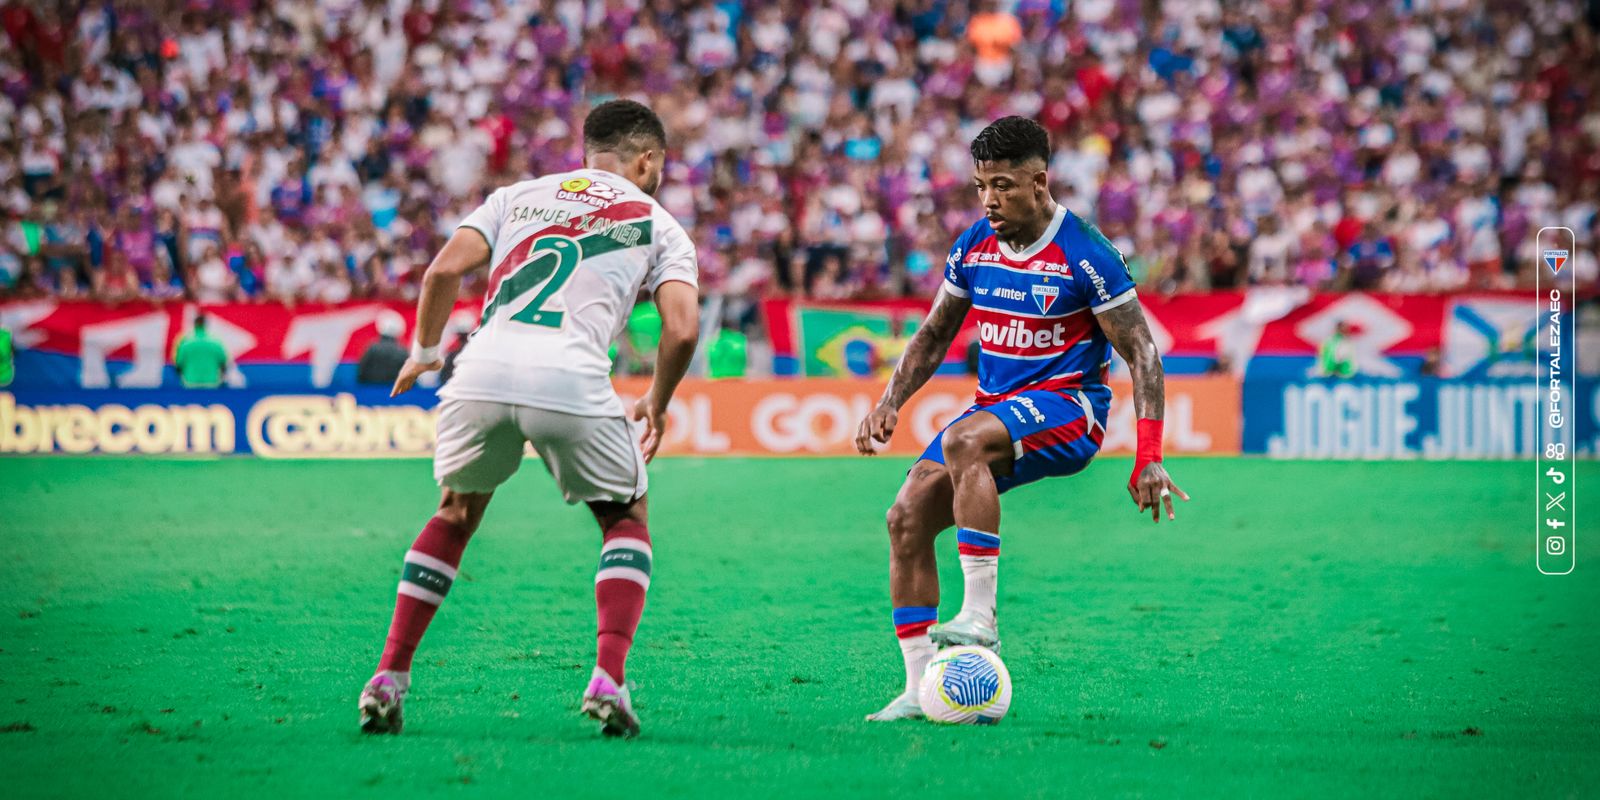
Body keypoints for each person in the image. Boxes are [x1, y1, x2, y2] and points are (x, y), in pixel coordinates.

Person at [362, 100, 699, 739]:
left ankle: (388, 676)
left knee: (456, 511)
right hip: (568, 375)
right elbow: (681, 330)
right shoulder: (659, 224)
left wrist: (426, 352)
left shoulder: (517, 196)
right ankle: (608, 678)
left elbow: (442, 272)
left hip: (480, 371)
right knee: (624, 517)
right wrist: (657, 399)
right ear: (647, 160)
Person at [853, 117, 1188, 721]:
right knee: (904, 518)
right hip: (995, 415)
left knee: (964, 441)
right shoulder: (974, 245)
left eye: (1003, 185)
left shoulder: (1086, 253)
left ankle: (981, 613)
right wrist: (890, 401)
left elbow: (1142, 351)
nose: (989, 200)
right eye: (981, 185)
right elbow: (933, 335)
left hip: (1071, 409)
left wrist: (1149, 455)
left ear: (1040, 182)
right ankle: (916, 688)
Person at [173, 315, 230, 388]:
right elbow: (224, 364)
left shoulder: (185, 344)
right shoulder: (216, 343)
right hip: (211, 383)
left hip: (190, 383)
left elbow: (178, 365)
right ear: (206, 325)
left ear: (194, 325)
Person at [356, 313, 408, 386]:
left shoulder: (372, 348)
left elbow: (361, 372)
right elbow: (408, 376)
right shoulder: (402, 351)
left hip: (370, 391)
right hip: (395, 393)